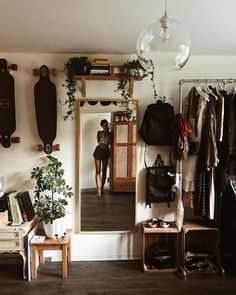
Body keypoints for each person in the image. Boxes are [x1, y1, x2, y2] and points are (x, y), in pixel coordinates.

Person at [93, 119, 112, 197]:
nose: (106, 126)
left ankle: (102, 188)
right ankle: (98, 190)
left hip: (106, 152)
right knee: (98, 171)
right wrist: (104, 132)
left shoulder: (110, 133)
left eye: (106, 124)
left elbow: (109, 142)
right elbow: (100, 141)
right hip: (98, 151)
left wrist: (107, 132)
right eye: (104, 125)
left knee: (104, 171)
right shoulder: (99, 132)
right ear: (101, 126)